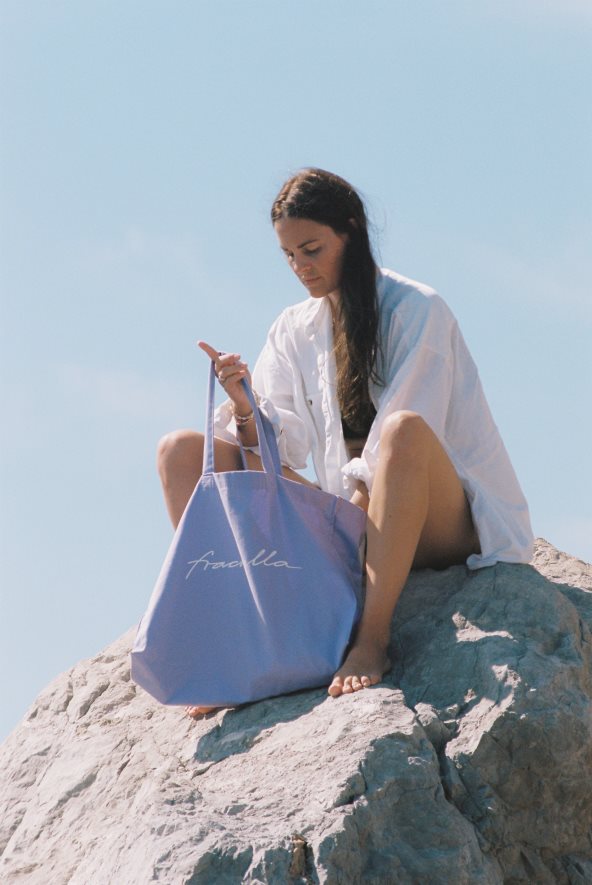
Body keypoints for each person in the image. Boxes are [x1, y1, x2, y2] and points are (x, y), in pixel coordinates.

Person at [157, 168, 534, 716]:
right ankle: (240, 646)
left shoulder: (417, 308)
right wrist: (244, 407)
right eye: (289, 255)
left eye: (312, 249)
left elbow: (406, 430)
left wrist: (339, 521)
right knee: (182, 451)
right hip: (350, 523)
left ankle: (372, 637)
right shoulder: (292, 326)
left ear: (351, 231)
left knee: (402, 430)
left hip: (439, 520)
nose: (301, 267)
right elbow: (282, 450)